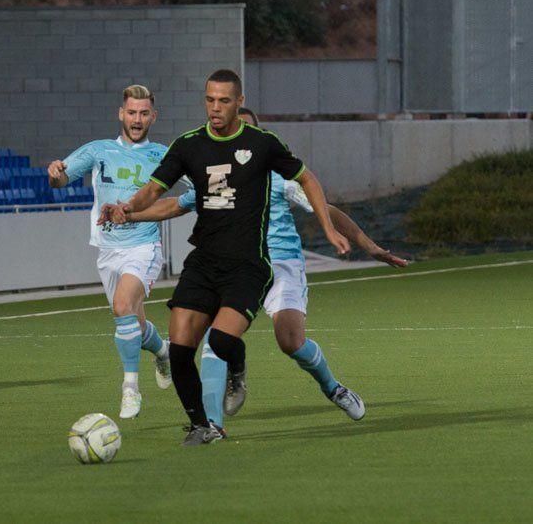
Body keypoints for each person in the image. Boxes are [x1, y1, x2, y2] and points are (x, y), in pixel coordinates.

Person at [99, 69, 351, 445]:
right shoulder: (189, 145)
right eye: (209, 100)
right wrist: (127, 207)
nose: (215, 108)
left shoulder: (262, 144)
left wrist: (330, 230)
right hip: (203, 262)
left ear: (239, 102)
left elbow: (307, 179)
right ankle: (201, 424)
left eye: (224, 101)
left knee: (220, 340)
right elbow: (155, 190)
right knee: (181, 349)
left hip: (248, 265)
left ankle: (233, 373)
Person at [121, 107, 408, 433]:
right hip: (234, 266)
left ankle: (333, 387)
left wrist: (369, 246)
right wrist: (128, 214)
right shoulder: (216, 177)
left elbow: (323, 207)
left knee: (290, 340)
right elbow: (174, 204)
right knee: (215, 340)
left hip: (280, 262)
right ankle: (211, 424)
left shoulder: (278, 179)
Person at [46, 85, 171, 419]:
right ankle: (163, 352)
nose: (137, 119)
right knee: (134, 325)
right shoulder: (98, 150)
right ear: (121, 113)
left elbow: (193, 189)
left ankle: (130, 388)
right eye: (132, 112)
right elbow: (61, 179)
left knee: (121, 306)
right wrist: (55, 174)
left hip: (144, 245)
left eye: (144, 113)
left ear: (153, 117)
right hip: (107, 250)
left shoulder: (163, 154)